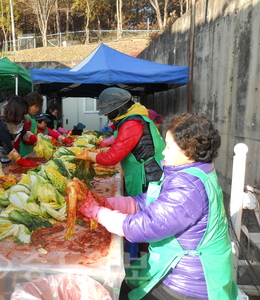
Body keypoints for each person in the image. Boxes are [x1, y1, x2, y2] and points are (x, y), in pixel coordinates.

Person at [78, 113, 238, 300]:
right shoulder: (190, 173)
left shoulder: (188, 188)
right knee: (121, 284)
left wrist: (97, 212)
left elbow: (143, 227)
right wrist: (108, 203)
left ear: (189, 151)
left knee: (116, 292)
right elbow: (153, 202)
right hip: (172, 262)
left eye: (169, 147)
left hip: (188, 281)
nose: (163, 152)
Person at [76, 87, 164, 196]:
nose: (105, 115)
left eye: (107, 112)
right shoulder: (134, 117)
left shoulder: (131, 123)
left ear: (117, 109)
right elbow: (131, 146)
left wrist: (89, 155)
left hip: (148, 175)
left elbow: (112, 158)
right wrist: (102, 150)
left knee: (145, 208)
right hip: (147, 170)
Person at [0, 94, 39, 168]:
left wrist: (35, 138)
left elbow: (24, 134)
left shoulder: (20, 119)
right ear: (17, 113)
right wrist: (22, 161)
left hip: (10, 153)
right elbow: (8, 148)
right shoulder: (1, 124)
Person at [19, 91, 44, 157]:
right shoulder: (24, 117)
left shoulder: (32, 116)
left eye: (39, 107)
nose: (37, 109)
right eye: (36, 107)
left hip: (30, 150)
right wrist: (37, 140)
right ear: (29, 104)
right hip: (22, 152)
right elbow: (24, 136)